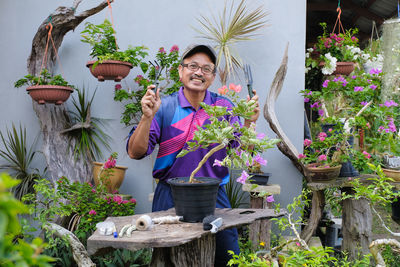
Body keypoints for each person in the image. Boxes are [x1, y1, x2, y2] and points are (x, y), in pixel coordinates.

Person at [127, 44, 260, 266]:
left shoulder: (223, 107)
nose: (198, 72)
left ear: (213, 77)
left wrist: (249, 122)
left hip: (214, 196)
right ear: (180, 71)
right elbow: (135, 152)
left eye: (206, 69)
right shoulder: (164, 107)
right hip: (169, 195)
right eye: (192, 66)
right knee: (167, 259)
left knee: (228, 258)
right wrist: (146, 117)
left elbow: (242, 152)